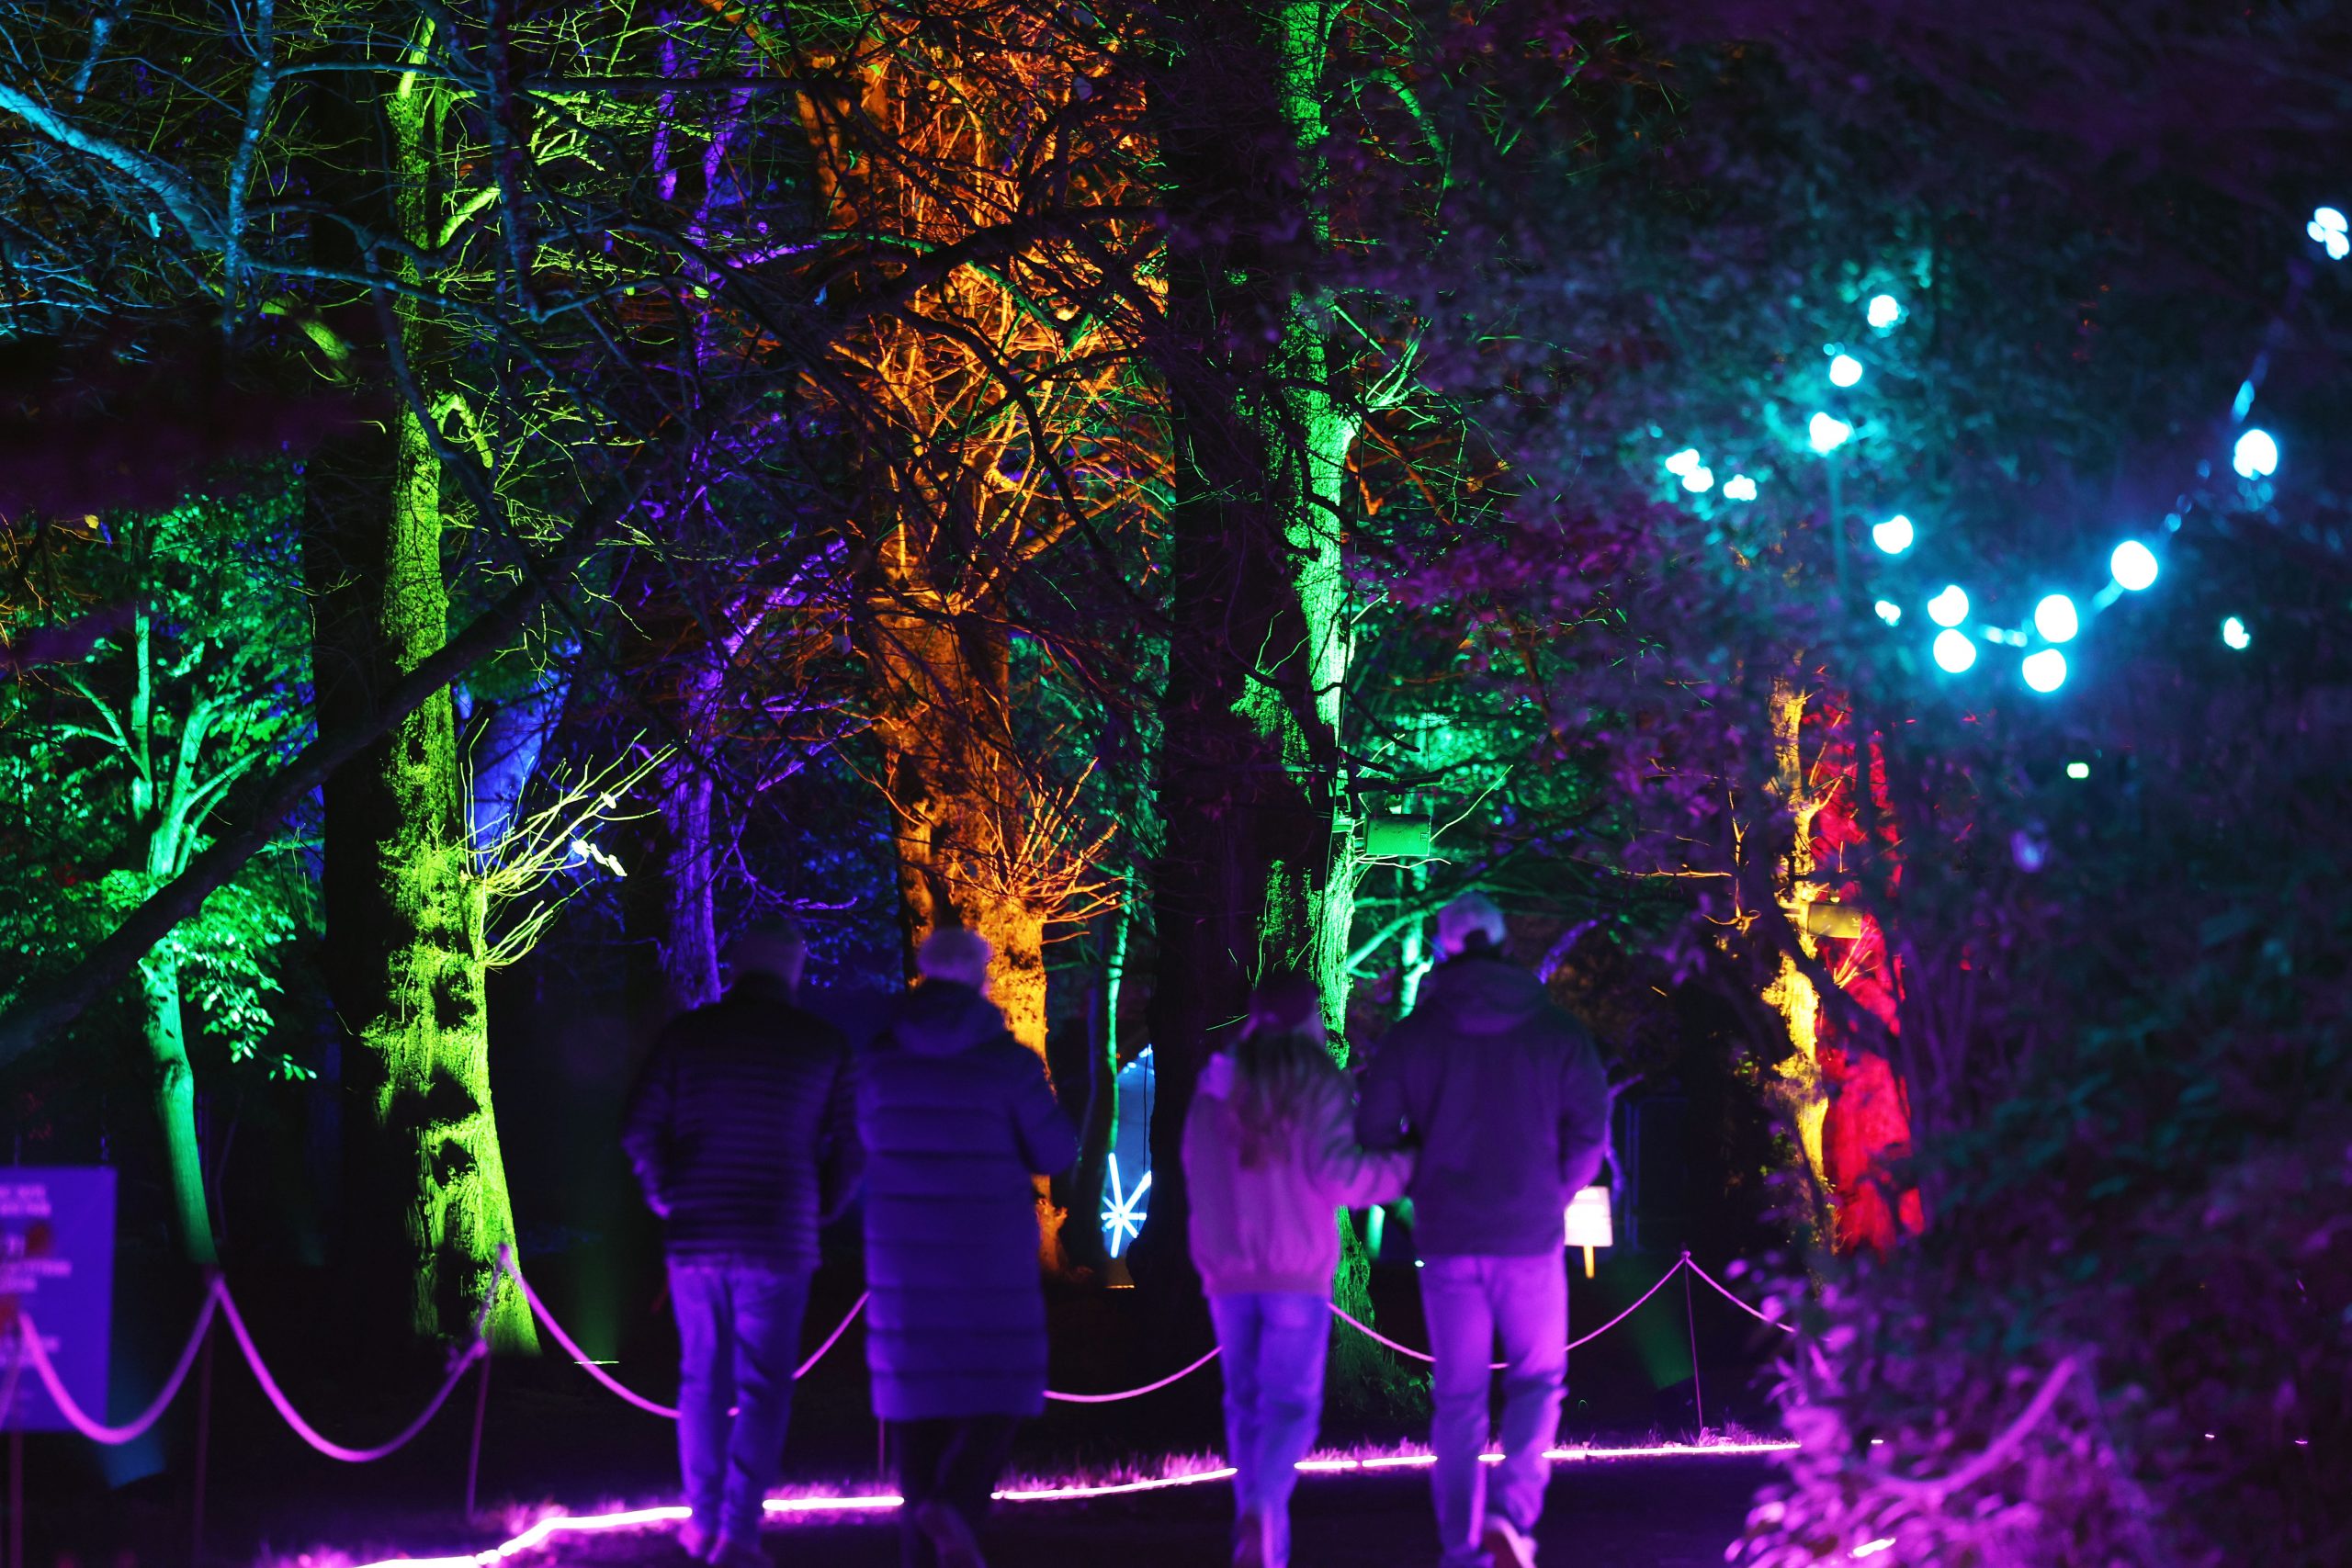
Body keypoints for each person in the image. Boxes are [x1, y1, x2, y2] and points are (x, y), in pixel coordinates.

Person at [1357, 894, 1611, 1568]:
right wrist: (1551, 1193)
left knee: (1459, 1398)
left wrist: (1421, 1188)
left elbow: (1373, 1132)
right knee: (1537, 1380)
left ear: (1443, 951)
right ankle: (1511, 1513)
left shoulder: (1414, 1036)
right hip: (1529, 1234)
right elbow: (1590, 1131)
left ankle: (1460, 1543)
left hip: (1447, 1237)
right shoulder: (1556, 1031)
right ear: (1504, 946)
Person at [621, 917, 861, 1568]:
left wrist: (665, 1193)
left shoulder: (689, 1036)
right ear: (794, 970)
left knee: (701, 1378)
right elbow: (853, 1143)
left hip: (697, 1231)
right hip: (780, 1235)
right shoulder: (823, 1044)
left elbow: (638, 1127)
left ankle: (702, 1522)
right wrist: (822, 1206)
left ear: (737, 967)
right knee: (764, 1386)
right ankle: (738, 1533)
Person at [857, 927, 1078, 1568]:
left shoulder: (879, 1061)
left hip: (904, 1261)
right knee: (1000, 1393)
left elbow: (856, 1143)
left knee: (916, 1417)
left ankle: (924, 1534)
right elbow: (1055, 1150)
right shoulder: (1008, 1064)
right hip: (990, 1260)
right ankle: (955, 1505)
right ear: (982, 978)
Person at [1183, 974, 1414, 1568]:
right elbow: (1342, 1175)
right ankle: (1264, 1507)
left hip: (1228, 1270)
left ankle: (1262, 1535)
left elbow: (1194, 1168)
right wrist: (1405, 1166)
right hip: (1295, 1268)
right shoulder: (1318, 1082)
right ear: (1309, 1016)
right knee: (1290, 1406)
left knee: (1244, 1403)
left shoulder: (1216, 1083)